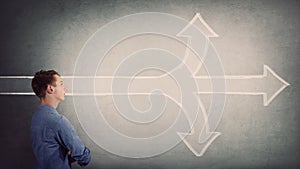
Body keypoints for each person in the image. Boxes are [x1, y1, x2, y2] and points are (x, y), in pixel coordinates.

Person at [30, 70, 91, 169]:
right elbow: (84, 157)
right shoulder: (58, 122)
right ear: (50, 89)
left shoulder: (36, 118)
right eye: (61, 84)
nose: (65, 89)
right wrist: (73, 154)